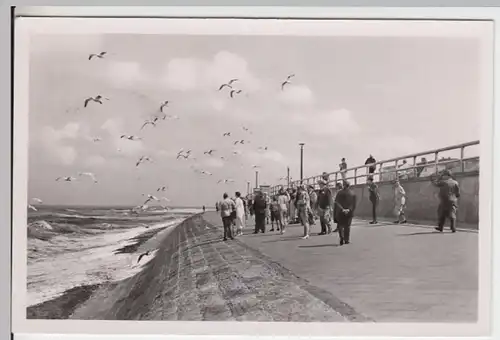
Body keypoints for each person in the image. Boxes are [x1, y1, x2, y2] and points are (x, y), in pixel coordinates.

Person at [334, 181, 357, 245]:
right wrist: (349, 209)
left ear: (343, 185)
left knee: (340, 225)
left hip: (340, 212)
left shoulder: (339, 193)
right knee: (347, 226)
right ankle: (347, 240)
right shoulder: (352, 193)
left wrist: (342, 209)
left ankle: (341, 237)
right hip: (349, 212)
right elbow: (354, 204)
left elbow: (337, 202)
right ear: (349, 185)